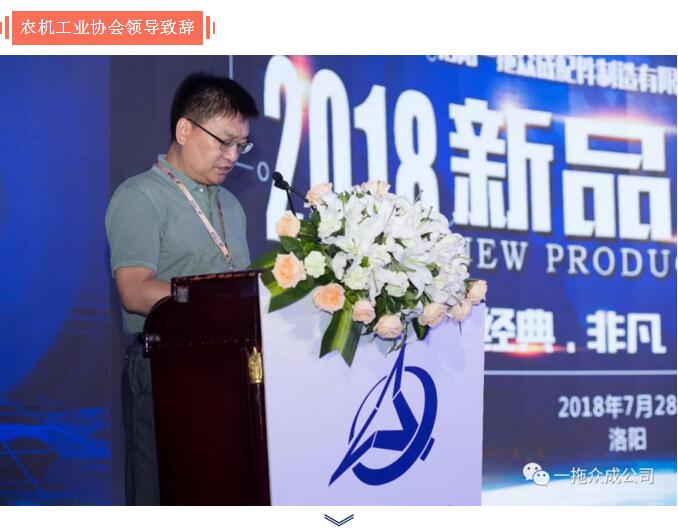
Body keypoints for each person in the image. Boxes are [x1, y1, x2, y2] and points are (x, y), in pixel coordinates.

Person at [105, 72, 259, 505]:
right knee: (166, 494)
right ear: (185, 129)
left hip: (229, 368)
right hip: (165, 368)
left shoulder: (231, 205)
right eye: (225, 142)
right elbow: (134, 290)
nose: (233, 157)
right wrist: (213, 299)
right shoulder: (141, 195)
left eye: (241, 146)